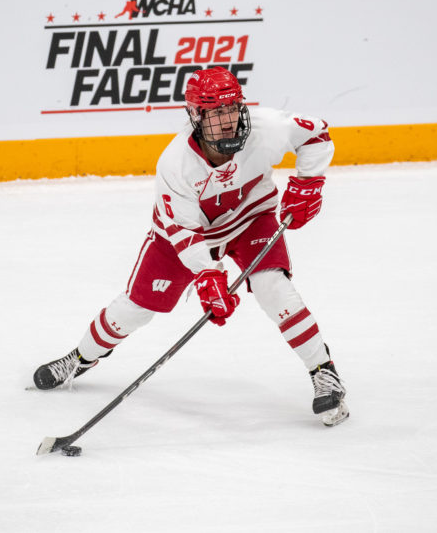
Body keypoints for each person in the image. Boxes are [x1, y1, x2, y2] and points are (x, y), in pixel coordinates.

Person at [33, 67, 348, 426]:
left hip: (251, 218)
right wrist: (208, 275)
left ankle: (325, 373)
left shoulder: (267, 128)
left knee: (273, 287)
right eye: (216, 113)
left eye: (232, 108)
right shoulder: (175, 163)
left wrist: (309, 183)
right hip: (184, 237)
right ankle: (80, 357)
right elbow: (184, 232)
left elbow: (317, 133)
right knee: (135, 309)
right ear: (196, 116)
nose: (227, 120)